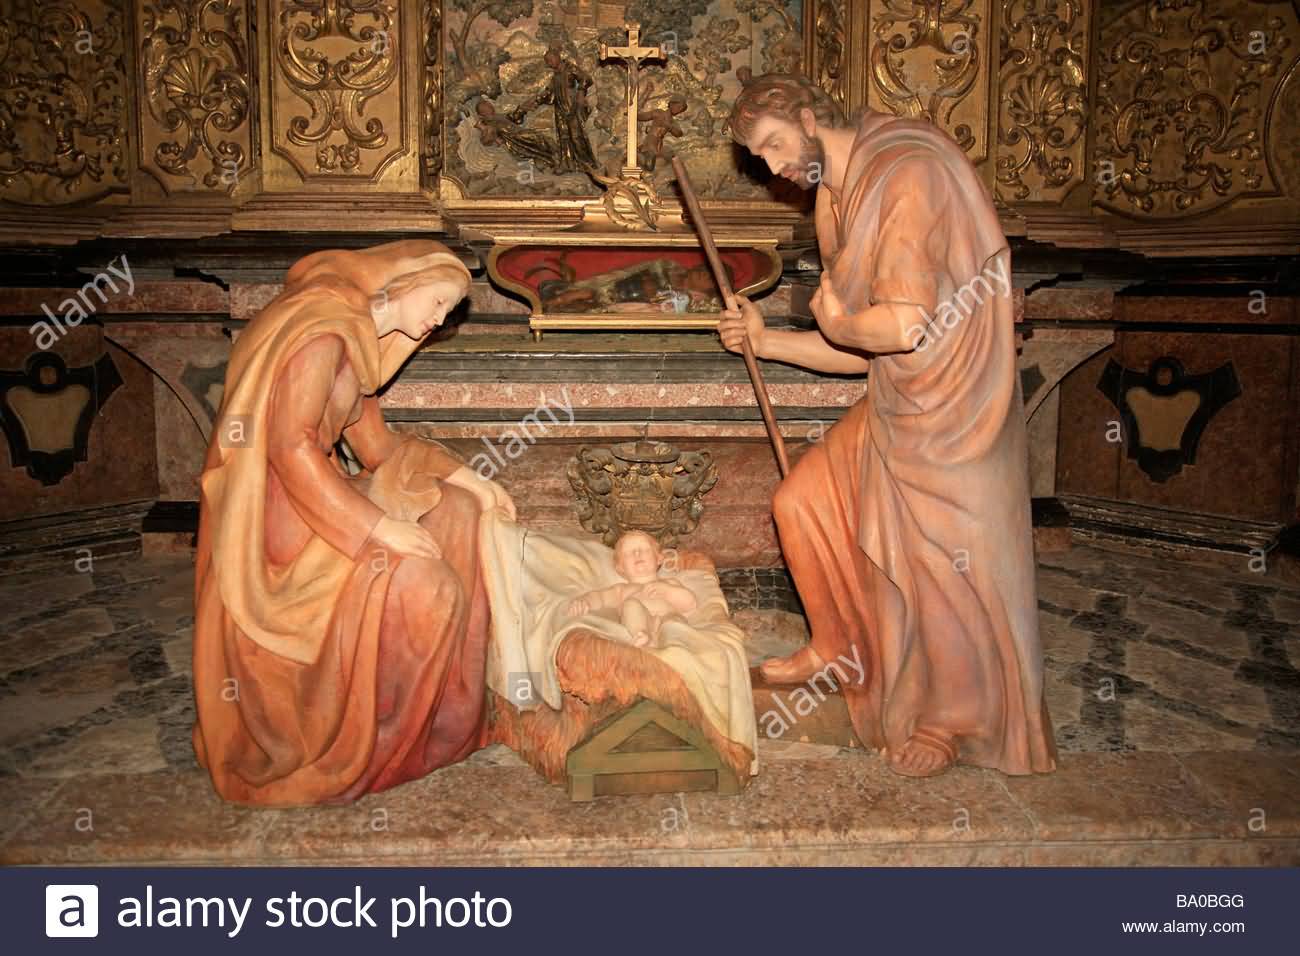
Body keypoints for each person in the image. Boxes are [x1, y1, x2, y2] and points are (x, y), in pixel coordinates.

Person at [718, 74, 1056, 778]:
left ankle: (952, 720)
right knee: (801, 502)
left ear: (811, 116)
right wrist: (765, 340)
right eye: (760, 158)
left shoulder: (908, 172)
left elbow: (901, 325)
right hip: (900, 399)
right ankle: (838, 643)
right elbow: (862, 350)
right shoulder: (833, 200)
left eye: (776, 145)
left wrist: (834, 318)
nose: (774, 166)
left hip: (956, 415)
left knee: (942, 568)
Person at [193, 240, 516, 806]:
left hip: (322, 498)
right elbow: (288, 447)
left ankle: (445, 716)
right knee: (426, 584)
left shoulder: (358, 344)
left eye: (448, 310)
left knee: (457, 512)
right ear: (403, 282)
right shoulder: (323, 331)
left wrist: (473, 481)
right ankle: (377, 734)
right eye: (438, 301)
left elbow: (379, 449)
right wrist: (376, 529)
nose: (438, 320)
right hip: (280, 522)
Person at [566, 530, 698, 647]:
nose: (637, 553)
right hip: (642, 625)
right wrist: (584, 601)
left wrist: (668, 591)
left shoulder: (669, 582)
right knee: (630, 605)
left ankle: (677, 644)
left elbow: (690, 604)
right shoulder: (623, 590)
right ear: (620, 567)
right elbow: (600, 597)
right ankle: (642, 635)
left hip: (668, 619)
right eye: (629, 553)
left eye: (644, 549)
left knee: (675, 620)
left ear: (659, 558)